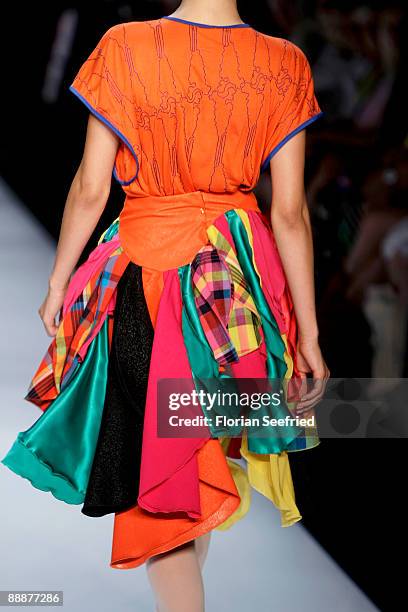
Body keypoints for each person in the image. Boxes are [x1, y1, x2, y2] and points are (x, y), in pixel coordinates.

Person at [1, 1, 330, 610]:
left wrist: (57, 282)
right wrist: (307, 333)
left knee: (166, 490)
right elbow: (289, 212)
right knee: (193, 469)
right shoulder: (285, 63)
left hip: (142, 289)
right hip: (237, 298)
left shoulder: (125, 46)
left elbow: (91, 187)